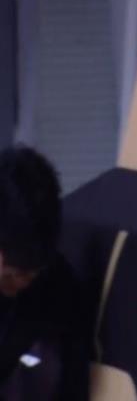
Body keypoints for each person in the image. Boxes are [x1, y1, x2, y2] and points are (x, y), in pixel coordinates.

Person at [0, 145, 89, 400]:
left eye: (24, 276)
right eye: (9, 276)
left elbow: (72, 387)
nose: (18, 284)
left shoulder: (59, 294)